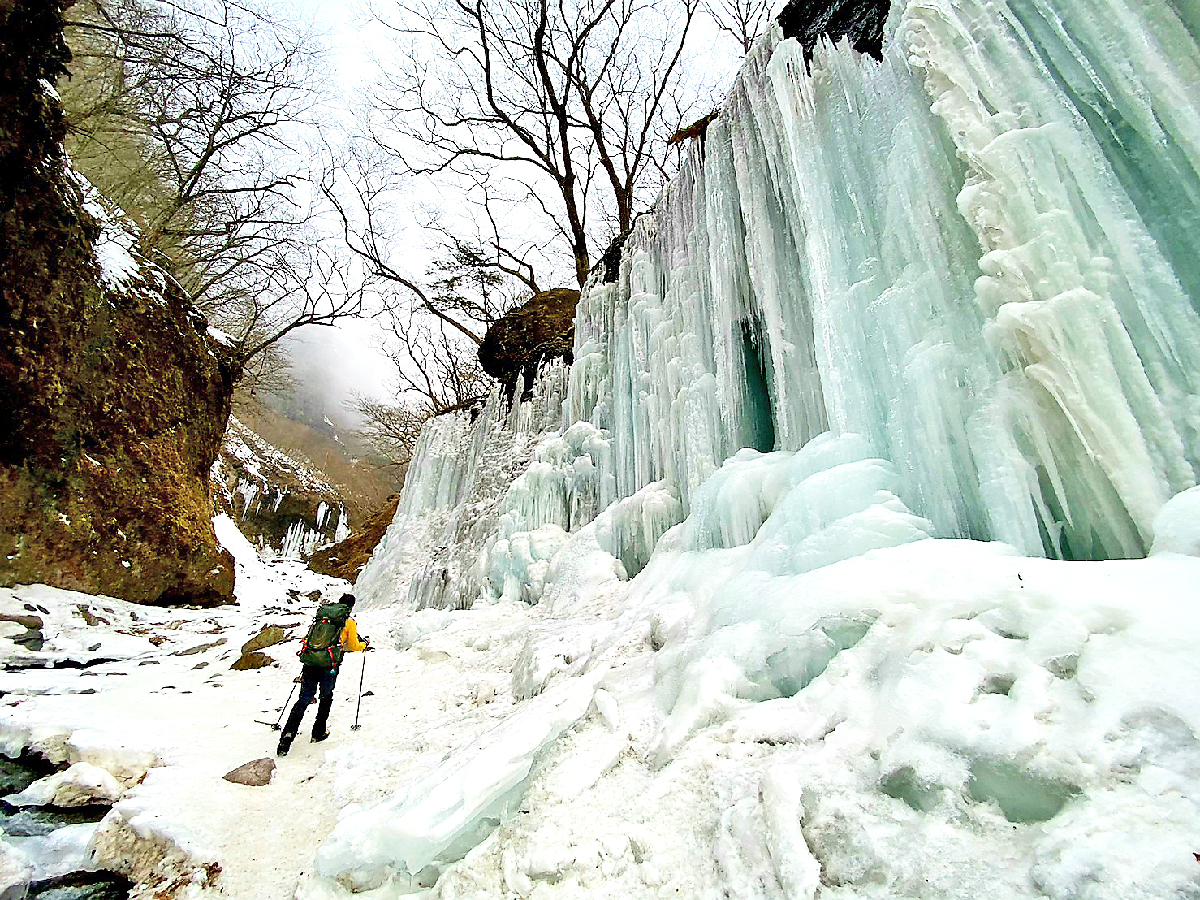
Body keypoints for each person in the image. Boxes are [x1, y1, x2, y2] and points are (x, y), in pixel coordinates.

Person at [277, 592, 369, 756]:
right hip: (329, 664)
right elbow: (353, 645)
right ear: (351, 607)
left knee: (304, 698)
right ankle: (318, 732)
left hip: (311, 662)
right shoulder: (348, 622)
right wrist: (364, 644)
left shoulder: (322, 620)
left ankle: (287, 735)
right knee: (326, 696)